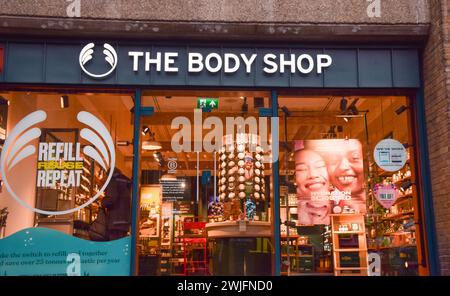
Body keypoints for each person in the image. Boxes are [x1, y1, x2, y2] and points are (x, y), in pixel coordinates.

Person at [294, 149, 332, 225]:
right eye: (301, 169)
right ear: (295, 179)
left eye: (320, 166)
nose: (313, 174)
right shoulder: (302, 215)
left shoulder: (342, 204)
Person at [102, 169, 132, 240]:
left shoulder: (113, 180)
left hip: (115, 221)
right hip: (124, 221)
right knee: (120, 245)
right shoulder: (126, 181)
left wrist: (103, 202)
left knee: (114, 246)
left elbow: (111, 198)